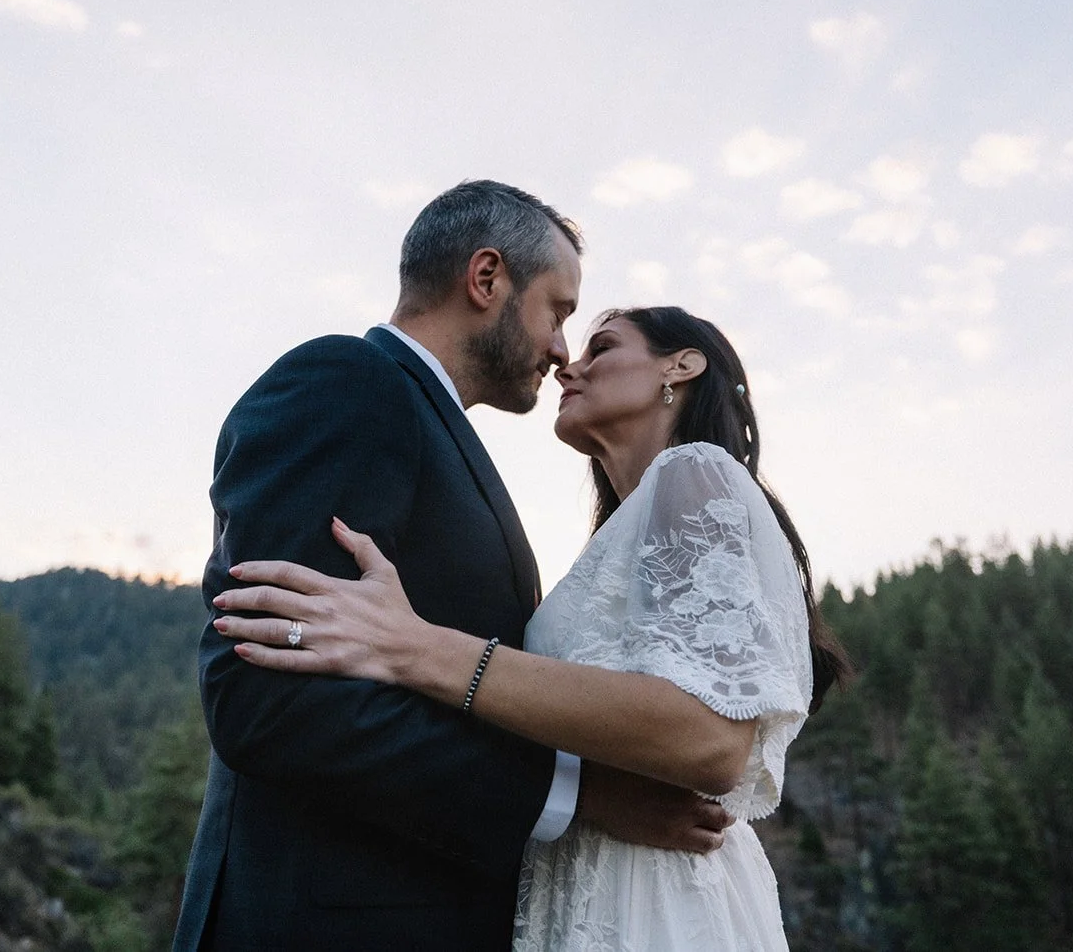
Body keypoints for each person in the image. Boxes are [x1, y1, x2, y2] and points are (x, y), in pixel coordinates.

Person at [173, 184, 735, 952]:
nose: (561, 350)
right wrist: (575, 794)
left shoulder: (427, 430)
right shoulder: (348, 383)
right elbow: (267, 698)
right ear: (486, 279)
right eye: (558, 311)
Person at [215, 305, 855, 951]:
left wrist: (417, 645)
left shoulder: (695, 473)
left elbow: (715, 738)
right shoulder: (619, 537)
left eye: (600, 346)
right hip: (577, 891)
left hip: (657, 905)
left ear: (681, 365)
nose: (567, 365)